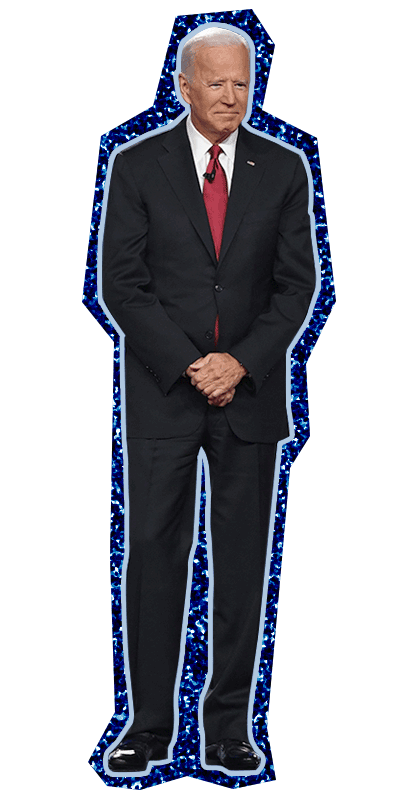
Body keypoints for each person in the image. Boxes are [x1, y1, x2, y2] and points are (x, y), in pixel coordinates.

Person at [101, 26, 316, 774]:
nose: (232, 96)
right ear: (184, 86)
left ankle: (229, 727)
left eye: (242, 83)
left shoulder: (282, 168)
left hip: (249, 394)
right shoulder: (137, 165)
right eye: (217, 83)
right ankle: (148, 726)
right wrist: (192, 364)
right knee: (155, 557)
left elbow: (297, 285)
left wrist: (241, 362)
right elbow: (121, 283)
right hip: (164, 392)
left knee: (243, 561)